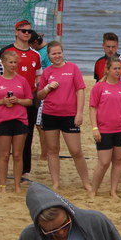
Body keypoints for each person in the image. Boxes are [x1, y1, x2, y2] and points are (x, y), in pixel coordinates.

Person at [36, 40, 91, 192]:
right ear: (48, 55)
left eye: (59, 53)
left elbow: (80, 90)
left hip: (69, 115)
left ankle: (86, 182)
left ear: (63, 53)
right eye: (54, 54)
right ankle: (55, 183)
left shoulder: (72, 68)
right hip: (50, 114)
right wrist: (47, 88)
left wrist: (79, 113)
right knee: (52, 150)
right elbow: (40, 95)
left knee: (76, 151)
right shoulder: (47, 72)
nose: (57, 56)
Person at [88, 58, 121, 198]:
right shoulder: (99, 87)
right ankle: (94, 190)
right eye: (115, 68)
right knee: (103, 162)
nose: (117, 71)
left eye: (119, 68)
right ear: (107, 70)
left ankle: (113, 191)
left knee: (118, 161)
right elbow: (92, 108)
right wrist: (94, 128)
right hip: (104, 130)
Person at [92, 32, 121, 186]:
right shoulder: (99, 62)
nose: (110, 49)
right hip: (105, 108)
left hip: (119, 106)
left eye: (113, 47)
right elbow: (98, 85)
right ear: (103, 46)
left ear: (117, 46)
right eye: (108, 46)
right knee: (108, 153)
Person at [2, 21, 41, 179]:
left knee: (27, 135)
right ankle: (0, 173)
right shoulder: (6, 51)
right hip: (8, 100)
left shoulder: (35, 54)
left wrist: (35, 90)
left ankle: (24, 170)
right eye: (23, 30)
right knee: (3, 137)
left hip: (27, 100)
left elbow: (38, 76)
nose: (26, 33)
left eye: (29, 31)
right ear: (16, 32)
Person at [0, 47, 34, 193]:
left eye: (15, 62)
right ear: (3, 63)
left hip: (20, 120)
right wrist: (2, 101)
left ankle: (17, 185)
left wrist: (18, 100)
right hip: (2, 121)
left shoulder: (22, 80)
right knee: (4, 155)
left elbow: (30, 101)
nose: (13, 65)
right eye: (10, 62)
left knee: (18, 155)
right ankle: (3, 185)